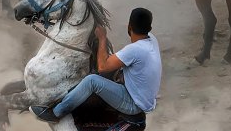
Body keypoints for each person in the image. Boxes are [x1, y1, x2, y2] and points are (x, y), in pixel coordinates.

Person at [31, 7, 161, 121]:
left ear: (129, 27)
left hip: (134, 104)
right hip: (145, 99)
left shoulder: (134, 50)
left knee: (92, 80)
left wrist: (102, 38)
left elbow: (102, 68)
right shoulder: (152, 40)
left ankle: (55, 113)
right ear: (149, 28)